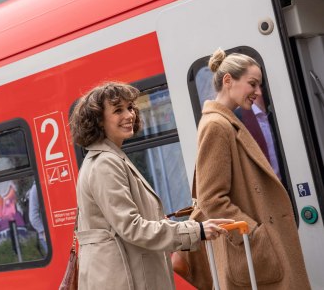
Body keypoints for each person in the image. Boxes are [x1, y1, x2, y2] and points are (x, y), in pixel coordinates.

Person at [70, 81, 232, 289]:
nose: (129, 115)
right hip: (128, 280)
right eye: (118, 110)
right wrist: (196, 231)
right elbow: (132, 227)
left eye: (130, 108)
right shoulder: (106, 163)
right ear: (99, 120)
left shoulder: (107, 159)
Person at [195, 49, 310, 289]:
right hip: (253, 248)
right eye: (252, 84)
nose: (258, 92)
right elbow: (211, 198)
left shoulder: (227, 121)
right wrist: (254, 234)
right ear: (228, 81)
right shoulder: (217, 125)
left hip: (259, 246)